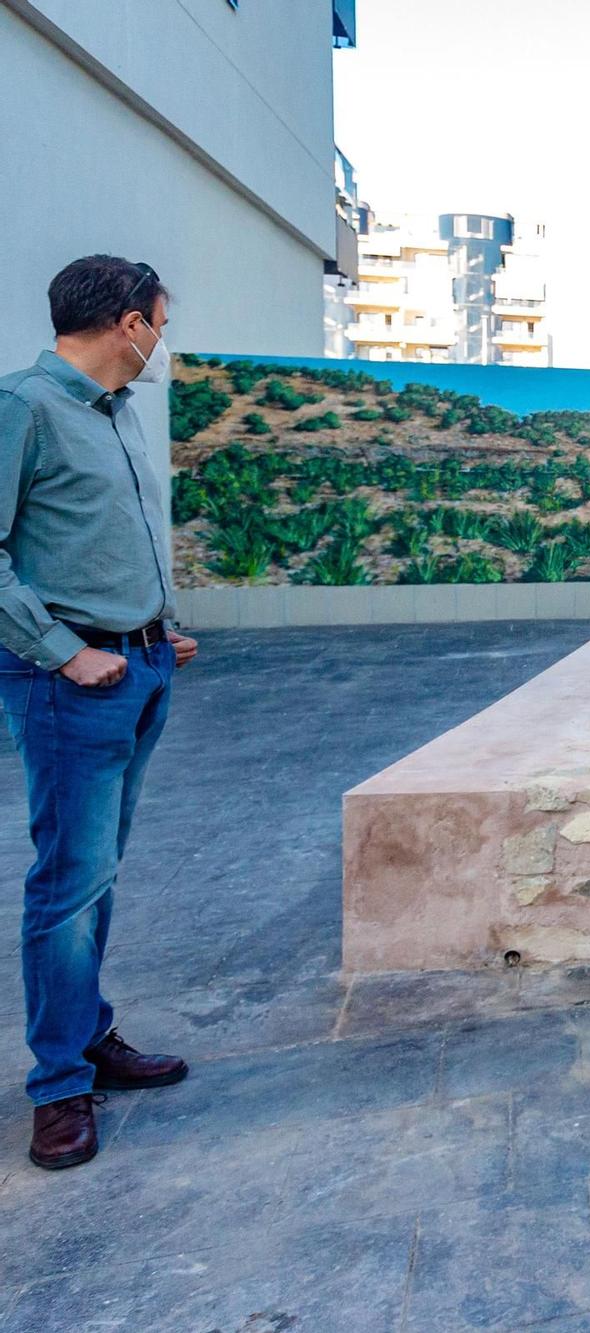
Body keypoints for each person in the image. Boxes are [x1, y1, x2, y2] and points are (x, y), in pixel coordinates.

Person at [1, 256, 200, 1170]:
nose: (161, 339)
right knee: (68, 881)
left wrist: (153, 628)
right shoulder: (25, 409)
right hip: (70, 681)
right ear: (128, 324)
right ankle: (57, 1087)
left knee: (97, 872)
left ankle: (87, 1037)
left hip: (139, 663)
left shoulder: (117, 415)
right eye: (159, 321)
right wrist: (65, 649)